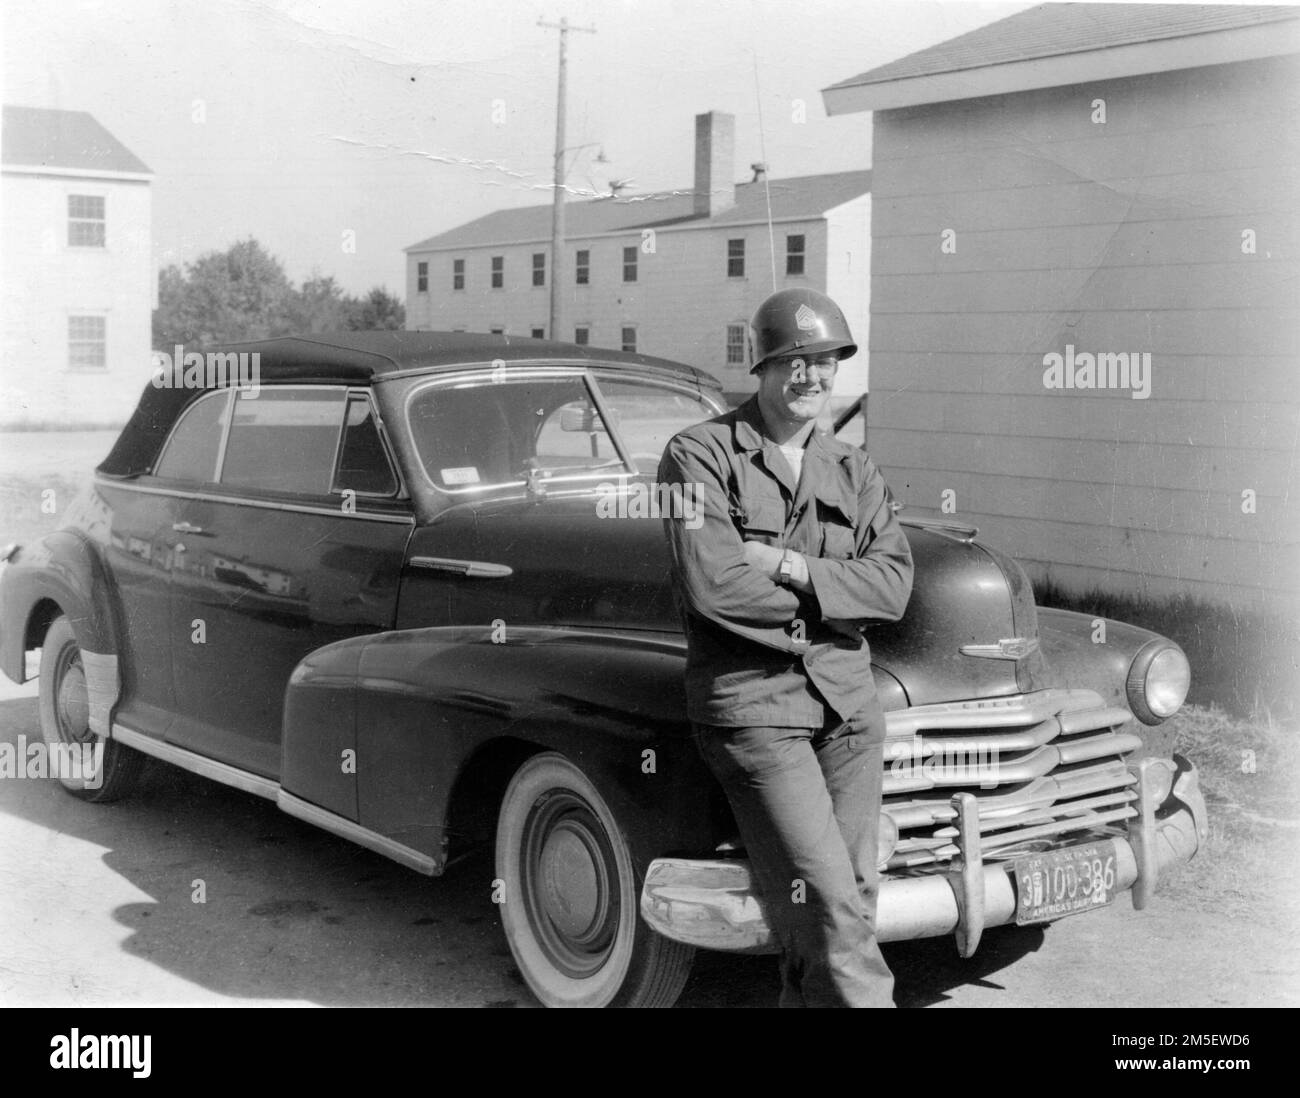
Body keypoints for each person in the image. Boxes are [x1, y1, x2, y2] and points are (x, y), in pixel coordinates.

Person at [657, 287, 914, 1007]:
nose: (810, 376)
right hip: (757, 709)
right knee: (830, 905)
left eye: (824, 360)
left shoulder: (853, 468)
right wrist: (838, 601)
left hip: (849, 714)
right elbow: (716, 587)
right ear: (762, 368)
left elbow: (893, 586)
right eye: (792, 361)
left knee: (845, 901)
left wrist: (794, 567)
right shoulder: (697, 455)